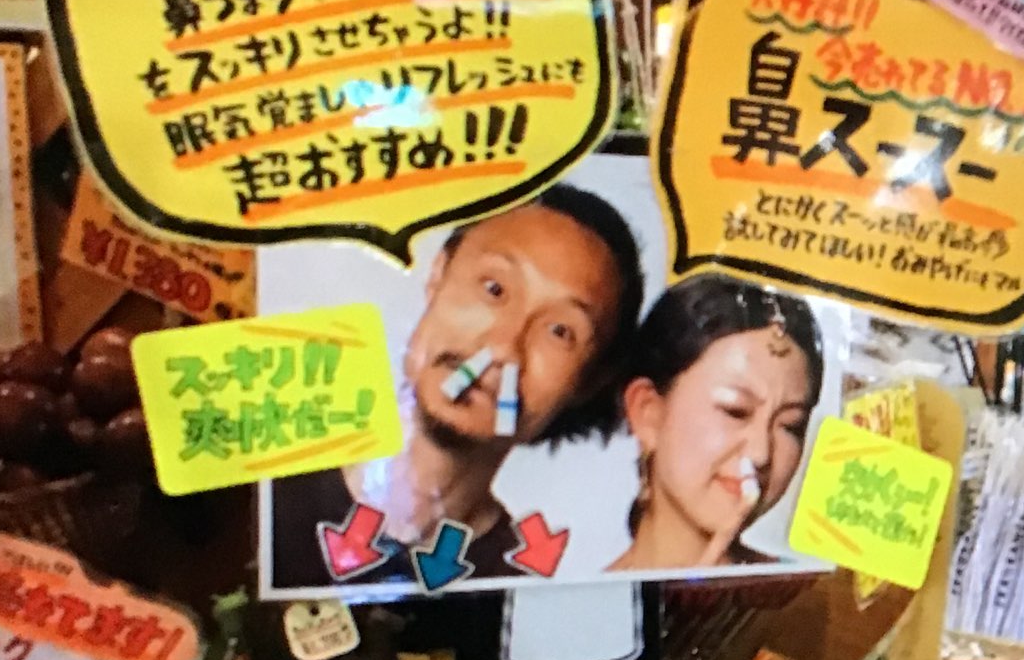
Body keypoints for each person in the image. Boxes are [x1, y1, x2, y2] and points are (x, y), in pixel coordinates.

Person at [270, 185, 644, 588]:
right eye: (494, 289)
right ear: (438, 275)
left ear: (588, 382)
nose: (504, 349)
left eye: (559, 331)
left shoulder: (517, 589)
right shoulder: (264, 481)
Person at [606, 275, 823, 573]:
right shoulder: (581, 599)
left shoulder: (808, 598)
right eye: (736, 411)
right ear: (648, 412)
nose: (760, 454)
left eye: (790, 425)